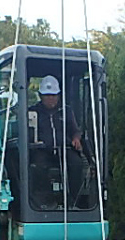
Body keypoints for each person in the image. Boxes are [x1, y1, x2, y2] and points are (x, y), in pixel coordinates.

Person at [28, 75, 85, 206]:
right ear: (40, 96)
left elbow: (76, 130)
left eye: (53, 95)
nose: (50, 98)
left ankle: (72, 201)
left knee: (77, 164)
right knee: (37, 167)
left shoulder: (66, 111)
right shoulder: (32, 112)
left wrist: (76, 138)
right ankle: (44, 202)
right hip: (42, 150)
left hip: (64, 149)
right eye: (47, 95)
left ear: (59, 95)